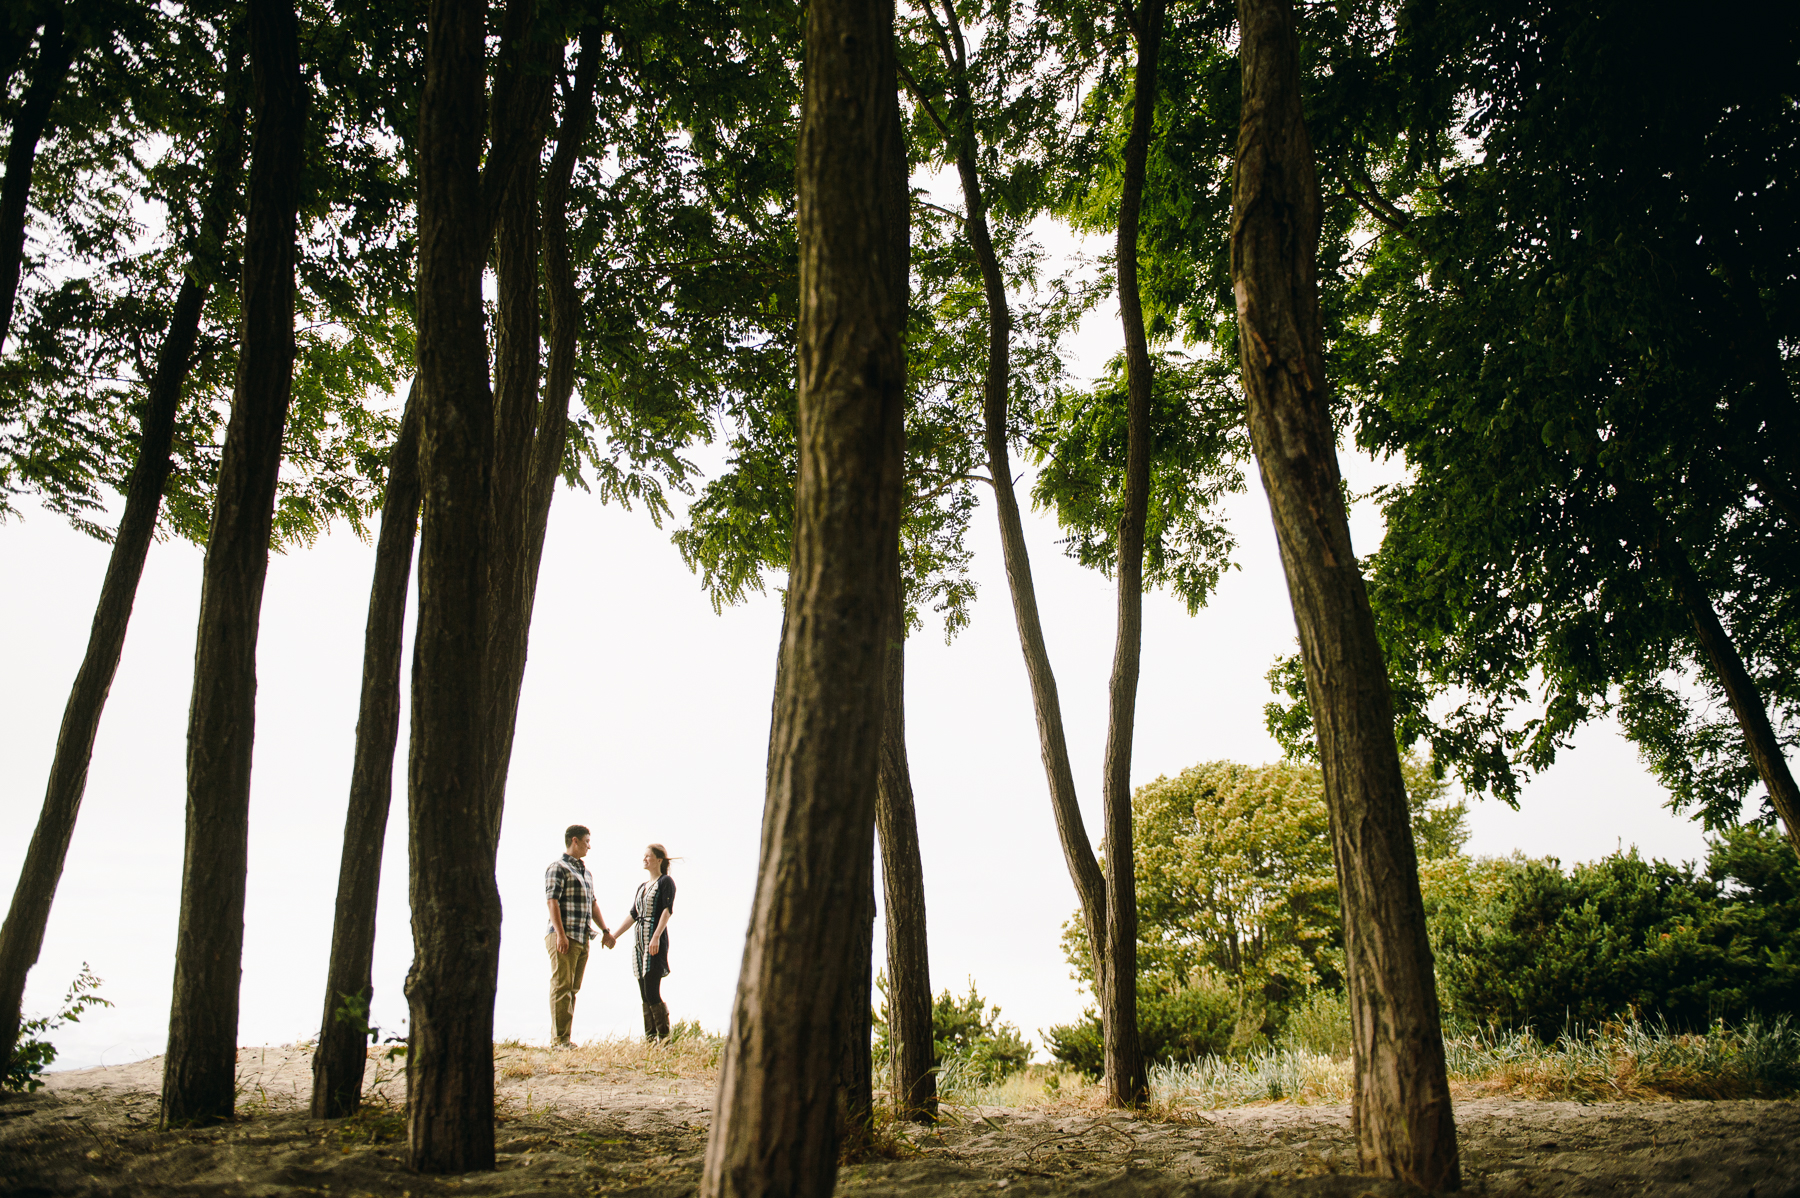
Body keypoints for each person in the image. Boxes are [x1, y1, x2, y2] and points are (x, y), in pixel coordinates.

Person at [545, 824, 612, 1048]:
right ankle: (559, 1040)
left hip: (582, 937)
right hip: (564, 935)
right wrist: (560, 935)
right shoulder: (558, 867)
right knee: (562, 985)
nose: (589, 847)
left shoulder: (586, 873)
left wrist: (605, 930)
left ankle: (565, 1038)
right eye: (586, 842)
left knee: (573, 988)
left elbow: (593, 904)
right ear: (574, 841)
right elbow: (552, 901)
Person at [623, 843, 676, 1041]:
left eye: (648, 856)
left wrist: (656, 936)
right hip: (639, 943)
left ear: (659, 860)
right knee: (643, 993)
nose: (644, 859)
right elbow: (633, 915)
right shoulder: (642, 887)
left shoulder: (666, 882)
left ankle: (663, 1038)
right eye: (643, 856)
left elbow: (667, 910)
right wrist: (612, 935)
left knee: (652, 990)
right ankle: (650, 1038)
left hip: (654, 941)